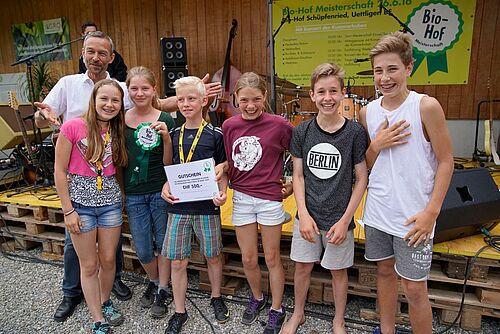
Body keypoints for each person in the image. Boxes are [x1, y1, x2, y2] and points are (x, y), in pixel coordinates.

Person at [34, 31, 221, 322]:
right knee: (83, 251)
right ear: (83, 52)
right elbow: (41, 117)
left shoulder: (123, 94)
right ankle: (71, 294)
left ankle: (133, 289)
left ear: (111, 57)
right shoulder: (68, 85)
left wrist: (196, 94)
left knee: (114, 253)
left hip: (123, 191)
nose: (96, 57)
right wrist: (43, 115)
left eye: (102, 53)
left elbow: (160, 103)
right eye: (90, 51)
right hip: (88, 190)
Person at [359, 32, 453, 334]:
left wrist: (431, 213)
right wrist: (377, 144)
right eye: (378, 71)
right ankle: (386, 330)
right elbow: (367, 164)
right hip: (378, 212)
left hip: (415, 218)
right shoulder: (367, 112)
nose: (384, 78)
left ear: (409, 68)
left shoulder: (425, 106)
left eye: (392, 69)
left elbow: (446, 161)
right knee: (384, 273)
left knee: (414, 289)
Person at [282, 63, 368, 334]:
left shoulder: (354, 133)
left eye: (333, 91)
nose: (327, 97)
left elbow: (361, 178)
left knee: (338, 273)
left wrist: (346, 221)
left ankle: (339, 320)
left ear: (343, 94)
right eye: (321, 91)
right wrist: (303, 215)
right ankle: (298, 314)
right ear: (312, 94)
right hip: (308, 216)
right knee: (302, 269)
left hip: (338, 219)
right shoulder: (303, 132)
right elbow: (298, 176)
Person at [222, 72, 294, 334]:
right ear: (235, 99)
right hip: (241, 198)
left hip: (269, 199)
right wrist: (222, 169)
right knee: (249, 258)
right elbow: (232, 161)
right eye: (244, 100)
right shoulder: (229, 126)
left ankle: (277, 308)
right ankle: (257, 297)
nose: (250, 106)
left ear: (265, 97)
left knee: (273, 257)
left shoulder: (280, 125)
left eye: (256, 99)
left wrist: (294, 184)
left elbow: (299, 156)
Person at [54, 79, 127, 334]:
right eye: (104, 99)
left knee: (108, 260)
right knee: (88, 265)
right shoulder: (72, 127)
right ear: (93, 100)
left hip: (109, 205)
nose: (109, 105)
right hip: (80, 206)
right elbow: (59, 171)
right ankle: (97, 318)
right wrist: (68, 210)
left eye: (115, 100)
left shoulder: (118, 130)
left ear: (120, 105)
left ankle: (105, 301)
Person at [161, 76, 229, 334]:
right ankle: (179, 310)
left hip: (207, 207)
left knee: (212, 255)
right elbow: (169, 169)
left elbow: (224, 169)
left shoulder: (215, 134)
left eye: (191, 99)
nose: (186, 104)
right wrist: (166, 186)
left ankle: (215, 296)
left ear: (204, 101)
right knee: (177, 261)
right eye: (181, 99)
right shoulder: (174, 134)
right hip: (179, 208)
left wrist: (222, 193)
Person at [123, 66, 174, 318]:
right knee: (143, 247)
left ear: (154, 89)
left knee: (163, 241)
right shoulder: (120, 120)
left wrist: (166, 139)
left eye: (145, 88)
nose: (139, 93)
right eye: (134, 88)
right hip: (133, 193)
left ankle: (163, 288)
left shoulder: (165, 119)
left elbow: (170, 162)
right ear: (128, 89)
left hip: (159, 190)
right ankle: (153, 280)